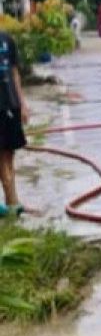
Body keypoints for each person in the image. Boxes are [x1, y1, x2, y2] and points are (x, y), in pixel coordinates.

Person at [0, 30, 28, 217]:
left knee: (10, 154)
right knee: (1, 155)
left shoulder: (8, 40)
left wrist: (22, 103)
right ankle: (12, 200)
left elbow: (15, 72)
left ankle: (11, 199)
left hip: (11, 104)